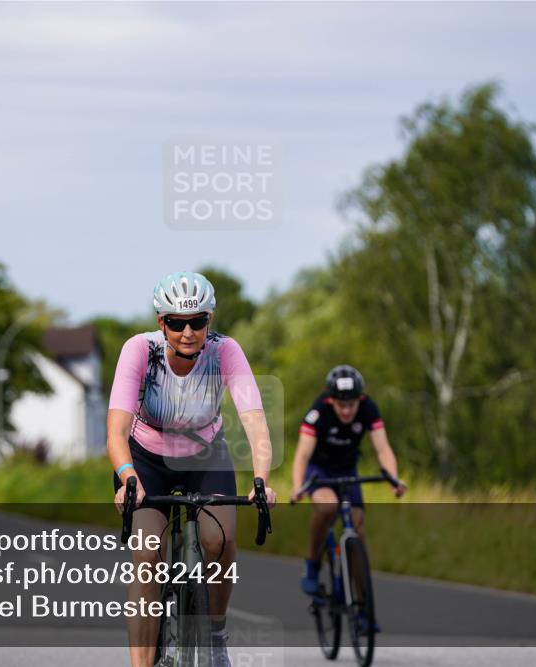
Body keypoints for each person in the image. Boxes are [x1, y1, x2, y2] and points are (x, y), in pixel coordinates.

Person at [108, 271, 277, 667]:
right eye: (177, 323)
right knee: (148, 555)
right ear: (160, 322)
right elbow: (116, 431)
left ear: (210, 321)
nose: (188, 332)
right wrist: (127, 477)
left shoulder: (225, 351)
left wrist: (261, 479)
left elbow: (255, 421)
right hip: (147, 458)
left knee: (220, 540)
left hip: (205, 453)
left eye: (198, 321)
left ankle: (215, 635)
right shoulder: (139, 350)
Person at [290, 365, 406, 596]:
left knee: (357, 525)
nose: (346, 411)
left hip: (346, 469)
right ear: (331, 400)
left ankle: (363, 604)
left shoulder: (368, 408)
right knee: (328, 507)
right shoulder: (318, 412)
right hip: (319, 470)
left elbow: (383, 449)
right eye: (341, 405)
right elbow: (302, 455)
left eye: (351, 405)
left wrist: (394, 479)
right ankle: (312, 564)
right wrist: (297, 487)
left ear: (360, 399)